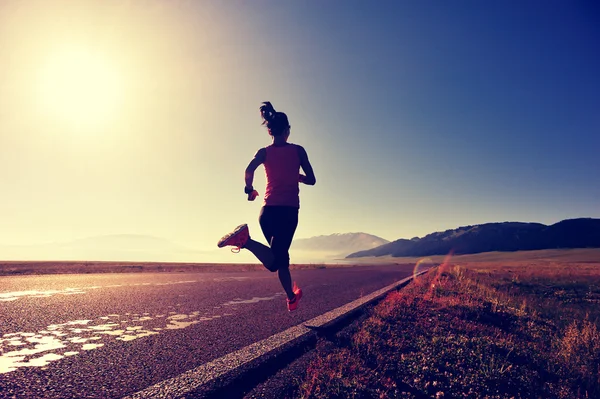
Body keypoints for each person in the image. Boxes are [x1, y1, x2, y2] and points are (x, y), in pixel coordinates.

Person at [217, 101, 316, 312]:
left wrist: (249, 190)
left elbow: (248, 170)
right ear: (288, 130)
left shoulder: (264, 152)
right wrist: (295, 176)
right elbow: (312, 179)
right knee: (274, 262)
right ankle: (245, 240)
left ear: (269, 131)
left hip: (267, 212)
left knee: (281, 259)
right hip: (288, 212)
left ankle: (291, 298)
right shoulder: (298, 151)